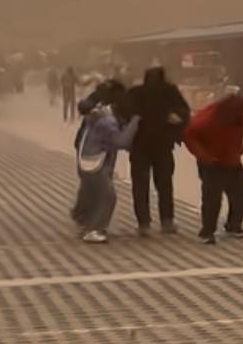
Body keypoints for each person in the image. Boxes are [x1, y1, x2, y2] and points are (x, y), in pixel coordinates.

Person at [185, 92, 243, 244]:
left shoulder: (240, 117)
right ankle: (207, 232)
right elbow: (189, 134)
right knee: (212, 198)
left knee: (242, 194)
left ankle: (233, 226)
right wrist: (204, 156)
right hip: (212, 163)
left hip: (232, 161)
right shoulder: (208, 119)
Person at [129, 66, 190, 235]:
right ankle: (167, 221)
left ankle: (143, 224)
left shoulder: (136, 93)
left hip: (139, 145)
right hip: (163, 145)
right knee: (164, 184)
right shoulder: (170, 91)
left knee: (140, 185)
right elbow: (184, 112)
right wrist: (176, 120)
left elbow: (124, 114)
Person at [75, 81, 137, 243]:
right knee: (108, 196)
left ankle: (85, 220)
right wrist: (135, 122)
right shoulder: (108, 121)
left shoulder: (99, 114)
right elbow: (120, 142)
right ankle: (94, 229)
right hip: (96, 164)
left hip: (90, 160)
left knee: (95, 193)